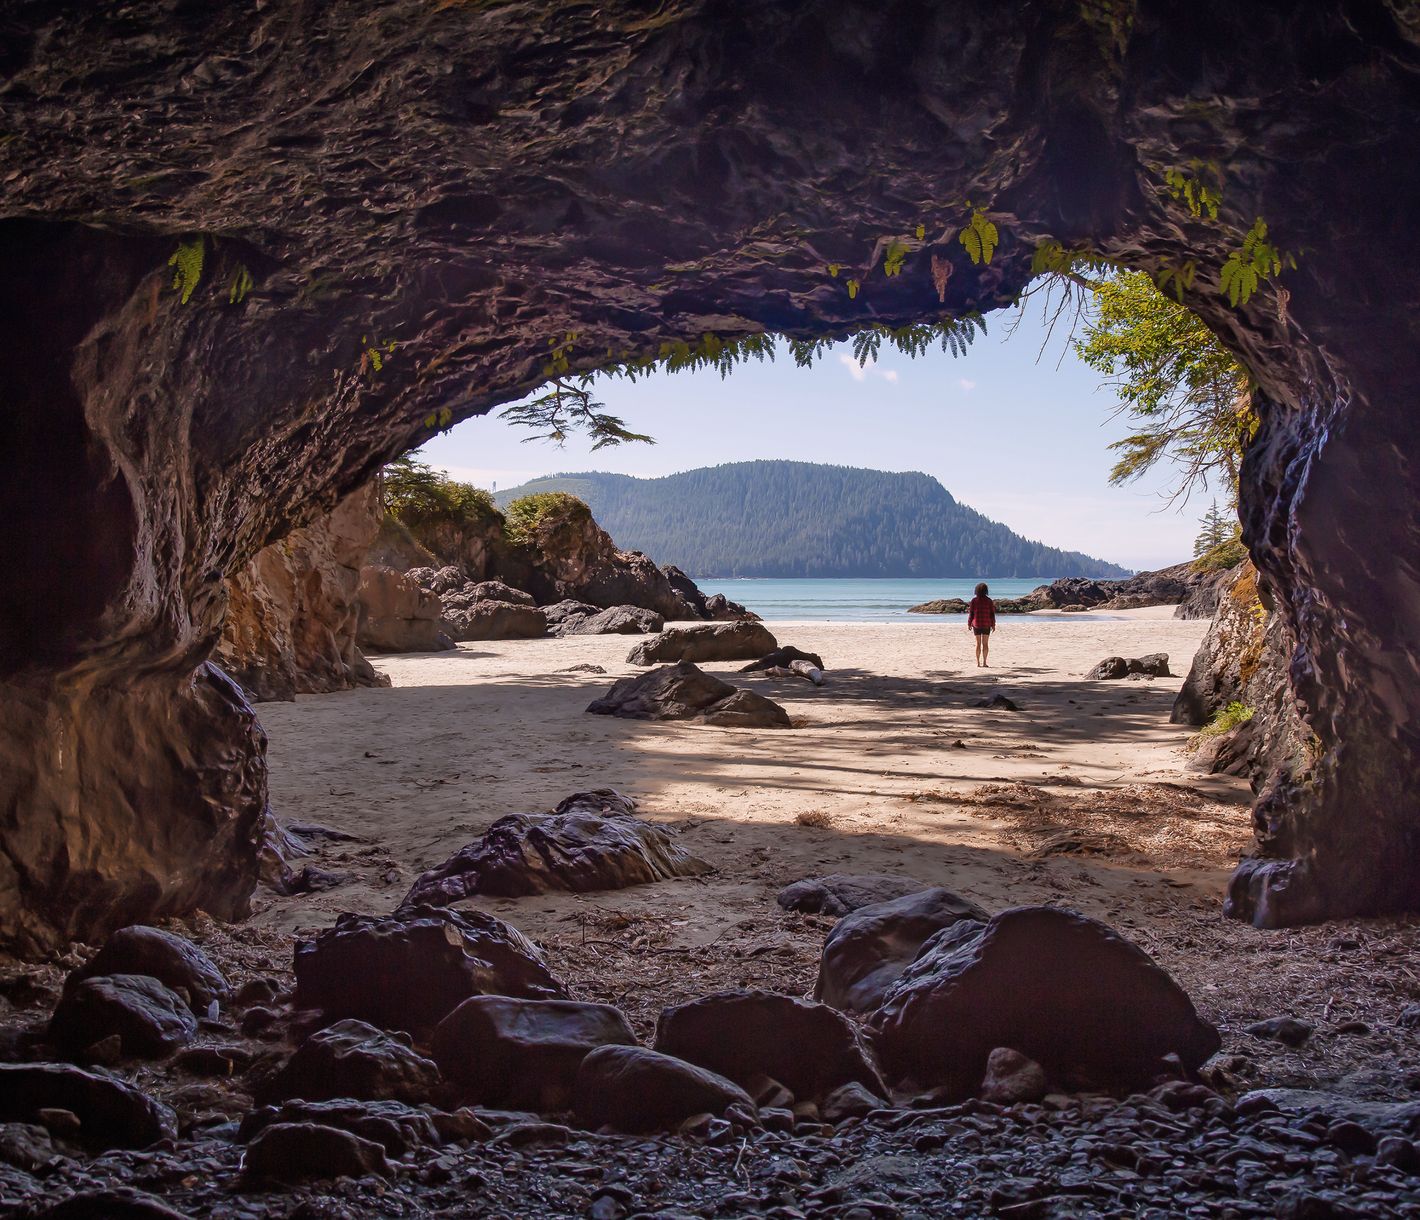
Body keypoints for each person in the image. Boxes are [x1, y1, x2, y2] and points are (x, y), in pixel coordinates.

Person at [967, 581, 996, 667]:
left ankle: (978, 663)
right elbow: (992, 614)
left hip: (976, 624)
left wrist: (969, 623)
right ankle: (984, 662)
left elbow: (971, 613)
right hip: (987, 624)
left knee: (978, 644)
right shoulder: (989, 601)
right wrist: (993, 624)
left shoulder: (974, 600)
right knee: (985, 644)